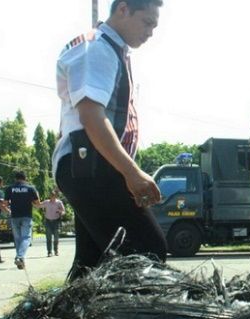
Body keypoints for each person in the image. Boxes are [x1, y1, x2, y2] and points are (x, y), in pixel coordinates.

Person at [52, 0, 167, 280]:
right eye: (147, 22)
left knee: (91, 263)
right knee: (147, 251)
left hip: (90, 167)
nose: (151, 31)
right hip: (91, 166)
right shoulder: (98, 49)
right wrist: (132, 172)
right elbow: (91, 116)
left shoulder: (111, 50)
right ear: (123, 9)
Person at [4, 171, 41, 269]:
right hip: (26, 216)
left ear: (15, 179)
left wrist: (9, 209)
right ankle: (20, 257)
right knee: (26, 238)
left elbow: (5, 203)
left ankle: (20, 261)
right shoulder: (30, 188)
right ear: (25, 178)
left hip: (14, 216)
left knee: (18, 239)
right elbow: (37, 204)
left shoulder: (10, 188)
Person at [39, 191, 65, 257]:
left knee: (56, 237)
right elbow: (38, 205)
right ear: (50, 196)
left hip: (56, 221)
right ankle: (49, 252)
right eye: (51, 196)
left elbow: (63, 211)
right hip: (48, 221)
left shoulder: (59, 202)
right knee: (48, 238)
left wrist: (60, 212)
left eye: (53, 196)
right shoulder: (46, 202)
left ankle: (56, 251)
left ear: (55, 196)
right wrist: (33, 200)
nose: (52, 197)